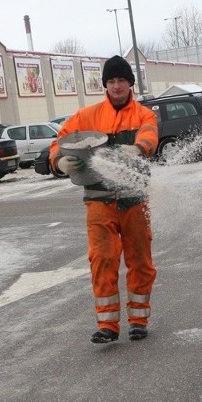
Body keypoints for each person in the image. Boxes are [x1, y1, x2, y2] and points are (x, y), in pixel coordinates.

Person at [49, 55, 159, 344]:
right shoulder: (87, 116)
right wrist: (60, 162)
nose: (117, 85)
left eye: (122, 80)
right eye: (111, 81)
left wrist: (138, 149)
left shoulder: (144, 115)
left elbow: (150, 135)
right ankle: (108, 324)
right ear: (105, 85)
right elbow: (58, 140)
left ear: (130, 83)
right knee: (102, 259)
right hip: (98, 200)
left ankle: (138, 319)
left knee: (140, 259)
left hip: (134, 198)